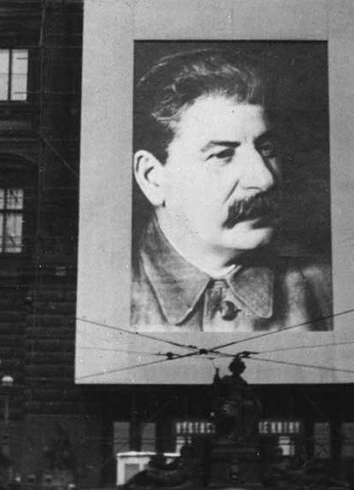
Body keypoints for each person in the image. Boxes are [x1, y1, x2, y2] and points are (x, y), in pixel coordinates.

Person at [130, 49, 332, 332]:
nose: (264, 179)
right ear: (152, 178)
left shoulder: (328, 286)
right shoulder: (104, 294)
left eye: (266, 148)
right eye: (222, 155)